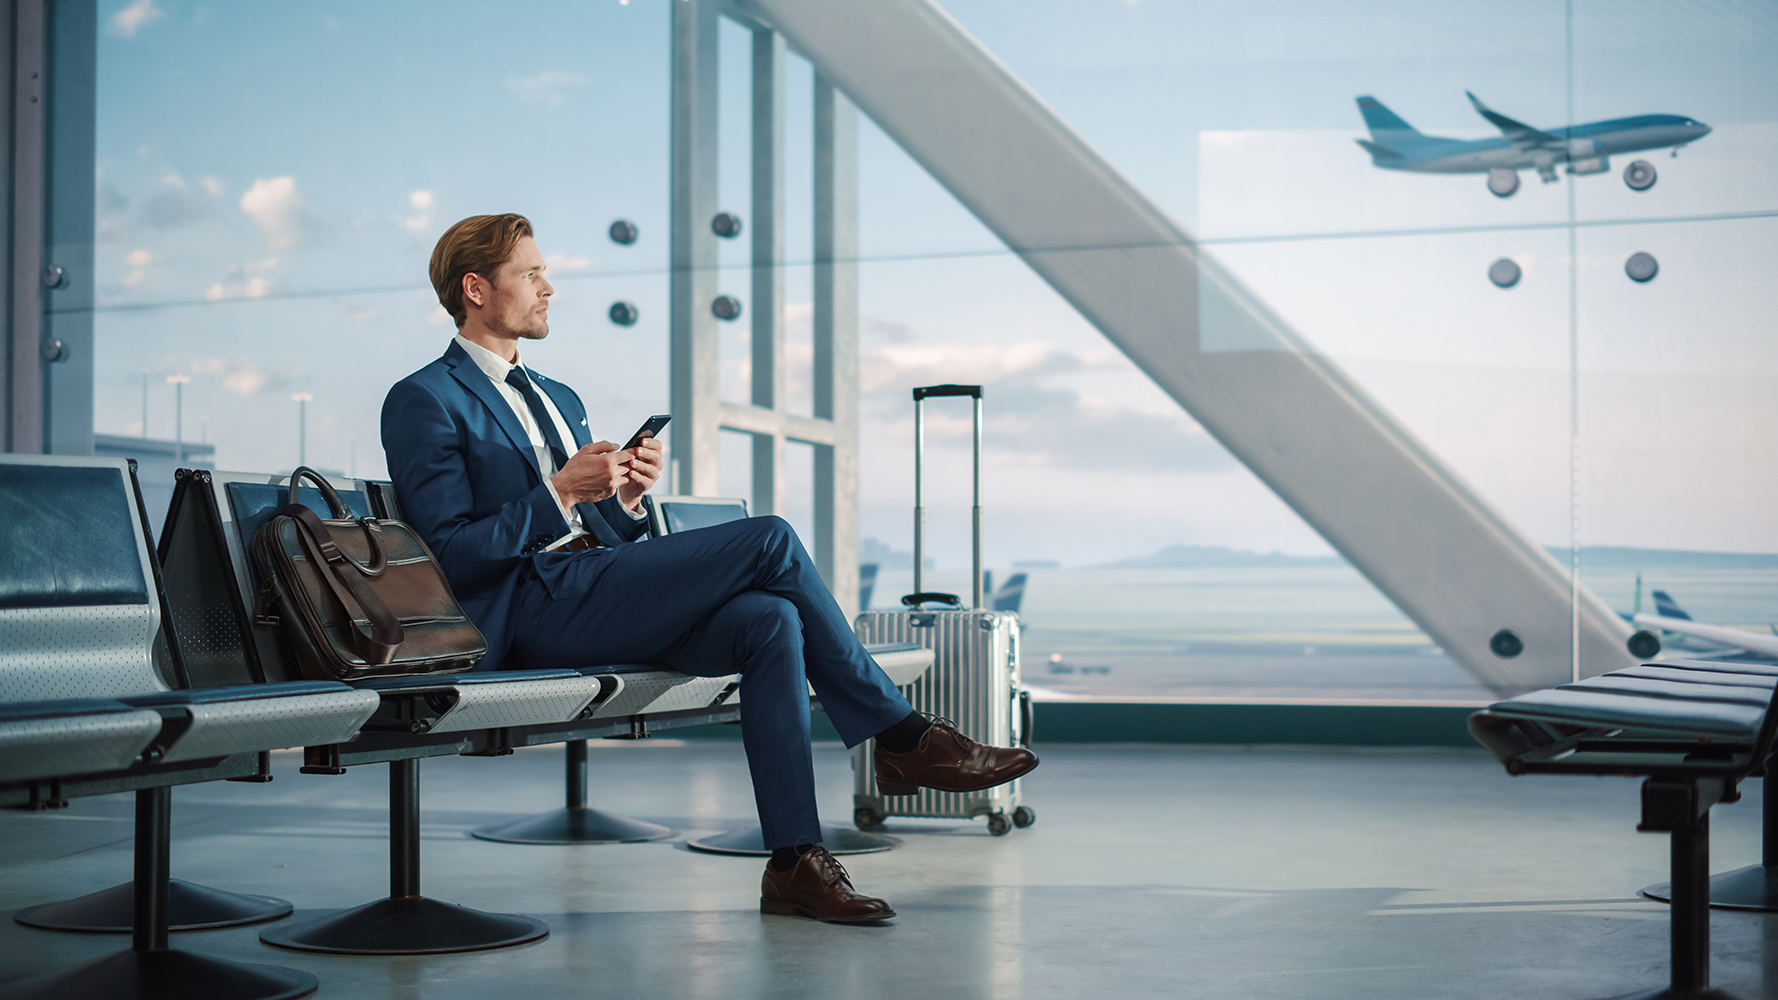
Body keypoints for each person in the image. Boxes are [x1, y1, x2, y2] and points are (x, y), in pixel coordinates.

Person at [382, 214, 1038, 923]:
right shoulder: (426, 397)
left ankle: (795, 862)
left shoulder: (557, 396)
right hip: (527, 612)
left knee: (770, 620)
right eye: (531, 273)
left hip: (591, 590)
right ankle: (903, 736)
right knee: (770, 539)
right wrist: (562, 491)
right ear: (476, 289)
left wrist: (625, 498)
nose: (549, 288)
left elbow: (596, 531)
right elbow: (449, 554)